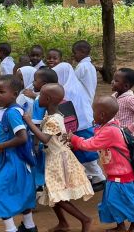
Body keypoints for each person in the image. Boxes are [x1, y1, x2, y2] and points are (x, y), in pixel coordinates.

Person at [70, 95, 134, 232]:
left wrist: (74, 138)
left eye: (94, 112)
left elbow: (91, 144)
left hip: (121, 177)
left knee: (122, 204)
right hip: (115, 175)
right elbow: (95, 138)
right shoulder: (109, 125)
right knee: (112, 203)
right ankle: (121, 227)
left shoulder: (110, 131)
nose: (92, 115)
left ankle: (131, 227)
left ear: (102, 115)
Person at [23, 84, 94, 232]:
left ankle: (85, 219)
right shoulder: (52, 115)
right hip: (55, 156)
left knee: (58, 196)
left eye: (40, 95)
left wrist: (29, 122)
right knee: (52, 192)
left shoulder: (54, 119)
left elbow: (45, 139)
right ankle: (63, 222)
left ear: (48, 99)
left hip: (58, 159)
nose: (38, 97)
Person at [0, 75, 37, 232]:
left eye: (1, 91)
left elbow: (22, 137)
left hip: (11, 160)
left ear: (14, 94)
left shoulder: (11, 113)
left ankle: (11, 229)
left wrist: (0, 147)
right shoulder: (8, 111)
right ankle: (29, 225)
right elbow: (5, 130)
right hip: (12, 160)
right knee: (21, 191)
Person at [53, 62, 106, 189]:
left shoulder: (68, 90)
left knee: (87, 153)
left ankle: (99, 178)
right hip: (79, 124)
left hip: (81, 125)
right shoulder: (74, 86)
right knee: (82, 152)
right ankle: (91, 176)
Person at [112, 68, 134, 138]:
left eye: (116, 81)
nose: (112, 82)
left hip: (128, 137)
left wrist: (131, 128)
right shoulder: (114, 96)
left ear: (126, 86)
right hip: (117, 134)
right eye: (113, 79)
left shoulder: (129, 99)